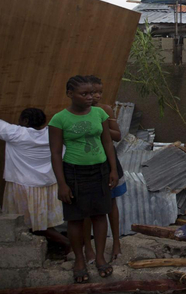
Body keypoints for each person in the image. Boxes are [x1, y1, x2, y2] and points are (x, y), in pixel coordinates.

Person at [0, 87, 70, 250]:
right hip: (49, 186)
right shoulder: (54, 134)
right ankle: (56, 245)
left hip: (22, 187)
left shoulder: (16, 134)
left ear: (25, 121)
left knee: (31, 225)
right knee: (41, 222)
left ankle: (68, 245)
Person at [49, 75, 118, 283]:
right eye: (84, 94)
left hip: (100, 171)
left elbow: (107, 143)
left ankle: (99, 257)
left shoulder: (99, 113)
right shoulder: (59, 119)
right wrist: (62, 183)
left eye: (91, 93)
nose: (90, 97)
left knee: (99, 214)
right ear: (70, 94)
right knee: (76, 218)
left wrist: (113, 170)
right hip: (74, 173)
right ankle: (79, 260)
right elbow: (55, 153)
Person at [81, 75, 125, 265]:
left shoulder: (105, 110)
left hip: (108, 163)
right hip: (86, 165)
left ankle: (116, 243)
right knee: (86, 209)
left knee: (111, 205)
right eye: (92, 92)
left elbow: (117, 136)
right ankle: (88, 248)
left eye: (99, 92)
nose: (96, 96)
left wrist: (102, 125)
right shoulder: (76, 113)